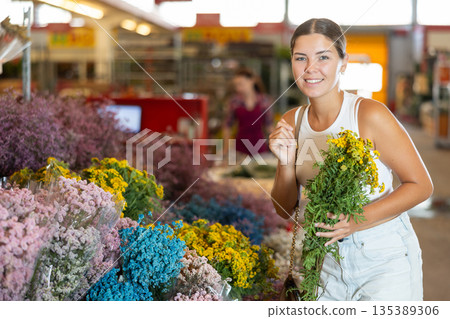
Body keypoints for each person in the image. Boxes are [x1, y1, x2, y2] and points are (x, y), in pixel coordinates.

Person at [269, 18, 433, 301]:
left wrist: (355, 222)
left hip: (384, 259)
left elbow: (421, 185)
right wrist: (286, 162)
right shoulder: (291, 121)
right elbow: (284, 209)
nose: (311, 68)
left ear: (343, 63)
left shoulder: (369, 115)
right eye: (301, 58)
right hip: (326, 264)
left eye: (324, 57)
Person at [223, 68, 273, 163]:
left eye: (241, 84)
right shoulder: (234, 101)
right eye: (236, 85)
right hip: (240, 149)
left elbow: (269, 126)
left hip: (260, 148)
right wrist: (226, 150)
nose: (238, 88)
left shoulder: (264, 101)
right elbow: (227, 126)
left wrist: (277, 147)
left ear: (252, 81)